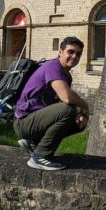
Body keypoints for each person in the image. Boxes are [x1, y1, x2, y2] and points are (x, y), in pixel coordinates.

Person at [13, 36, 90, 170]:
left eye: (78, 54)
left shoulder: (66, 75)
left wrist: (81, 113)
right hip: (23, 121)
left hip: (36, 120)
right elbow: (66, 97)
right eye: (70, 52)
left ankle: (34, 142)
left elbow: (63, 101)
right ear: (60, 52)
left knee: (78, 122)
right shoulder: (53, 66)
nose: (74, 56)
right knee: (68, 111)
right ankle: (41, 156)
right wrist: (85, 106)